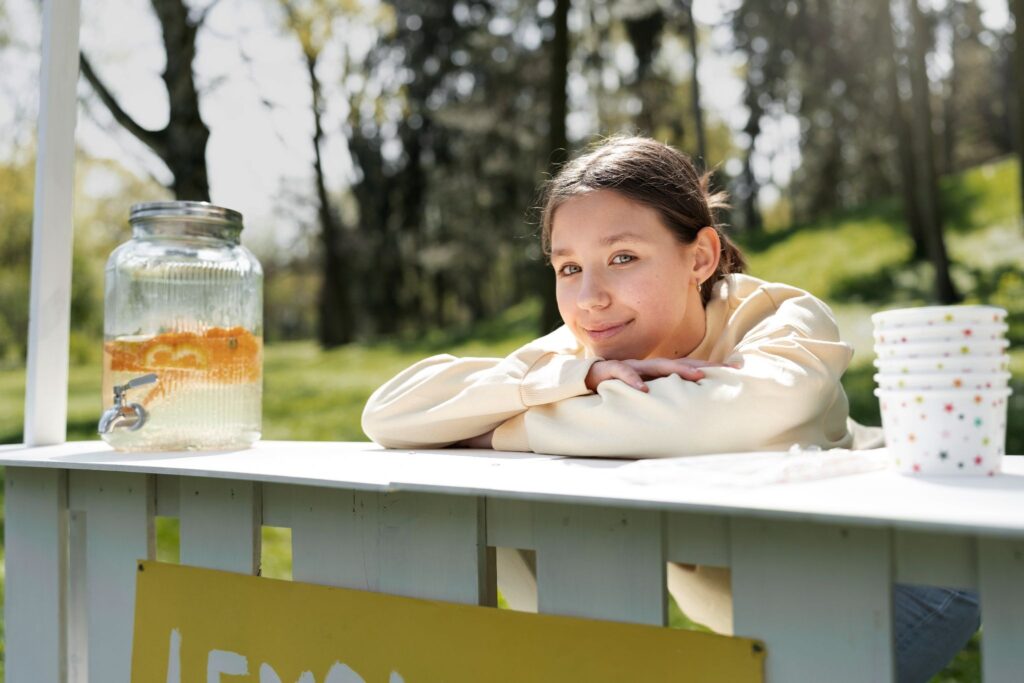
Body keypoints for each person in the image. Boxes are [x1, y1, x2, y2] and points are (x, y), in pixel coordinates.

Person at [361, 136, 978, 682]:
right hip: (763, 603)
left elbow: (731, 415)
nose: (590, 296)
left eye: (623, 257)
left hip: (900, 577)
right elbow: (389, 413)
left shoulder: (780, 318)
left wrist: (499, 432)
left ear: (701, 257)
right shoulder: (584, 349)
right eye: (568, 267)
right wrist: (575, 379)